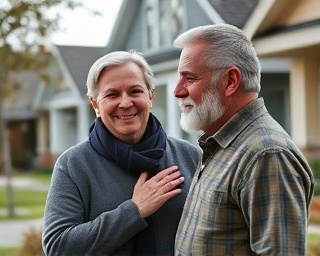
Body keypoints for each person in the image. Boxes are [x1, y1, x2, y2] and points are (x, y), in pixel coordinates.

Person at [173, 24, 315, 255]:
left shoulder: (266, 154)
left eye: (189, 78)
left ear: (230, 81)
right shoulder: (222, 144)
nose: (178, 91)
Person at [42, 50, 201, 255]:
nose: (125, 103)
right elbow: (58, 247)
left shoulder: (190, 156)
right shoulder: (74, 165)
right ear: (95, 104)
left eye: (135, 91)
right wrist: (134, 211)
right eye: (112, 94)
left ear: (150, 95)